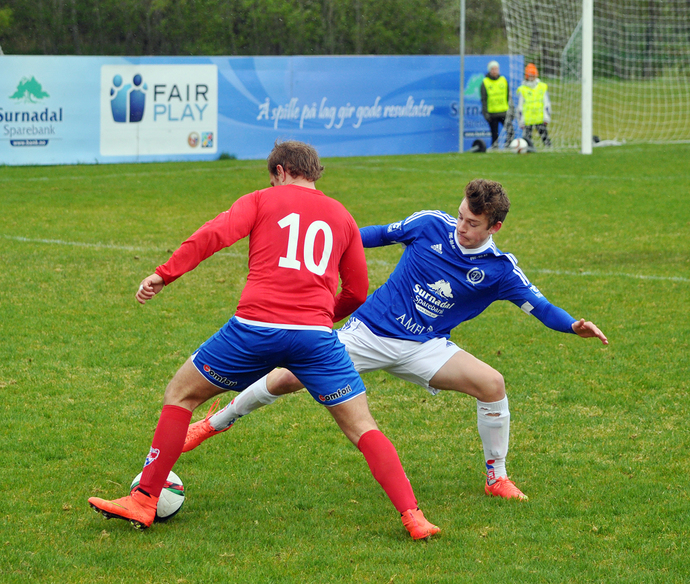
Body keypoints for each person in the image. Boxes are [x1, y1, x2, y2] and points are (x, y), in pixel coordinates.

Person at [87, 140, 439, 541]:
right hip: (316, 339)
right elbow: (358, 292)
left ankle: (146, 498)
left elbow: (212, 236)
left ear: (280, 171)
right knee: (363, 427)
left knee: (180, 394)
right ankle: (414, 517)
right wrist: (321, 318)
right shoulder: (342, 216)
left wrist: (164, 274)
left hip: (254, 330)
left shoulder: (261, 200)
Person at [183, 179, 608, 502]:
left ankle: (496, 476)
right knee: (283, 379)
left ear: (494, 226)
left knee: (492, 384)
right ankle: (214, 423)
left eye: (473, 224)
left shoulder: (500, 269)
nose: (461, 227)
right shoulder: (429, 225)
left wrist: (572, 325)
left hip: (425, 347)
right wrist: (331, 242)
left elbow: (542, 307)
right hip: (367, 333)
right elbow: (370, 236)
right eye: (460, 216)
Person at [480, 61, 514, 149]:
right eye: (493, 69)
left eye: (496, 69)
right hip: (492, 113)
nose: (495, 71)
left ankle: (508, 146)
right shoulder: (485, 82)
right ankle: (495, 148)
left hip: (504, 112)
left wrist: (512, 110)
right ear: (490, 71)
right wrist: (485, 113)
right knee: (494, 134)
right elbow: (484, 100)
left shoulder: (503, 80)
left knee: (510, 131)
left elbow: (509, 97)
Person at [517, 63, 552, 147]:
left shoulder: (542, 87)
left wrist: (546, 117)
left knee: (545, 137)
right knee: (527, 139)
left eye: (533, 75)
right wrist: (521, 121)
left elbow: (546, 103)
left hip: (539, 118)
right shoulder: (523, 89)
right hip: (528, 119)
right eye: (530, 75)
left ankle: (549, 147)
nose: (532, 77)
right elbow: (520, 106)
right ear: (526, 76)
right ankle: (527, 149)